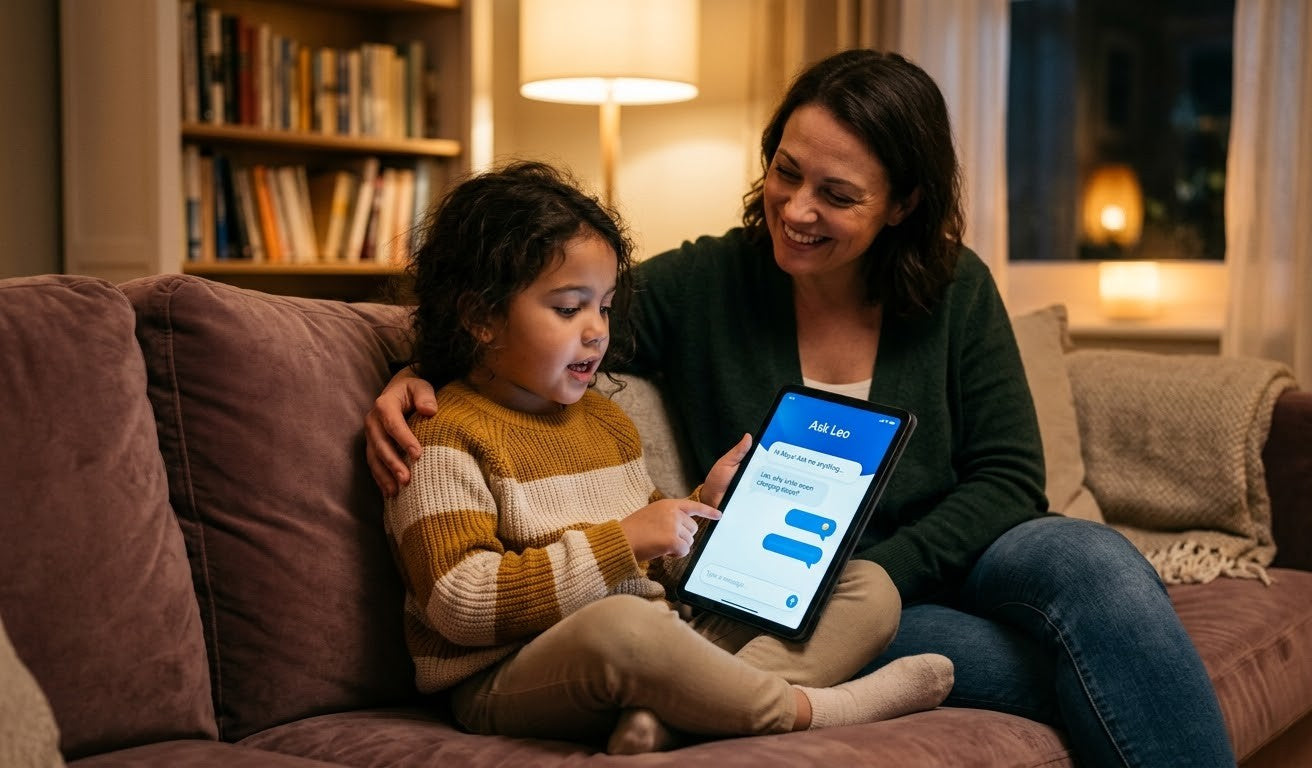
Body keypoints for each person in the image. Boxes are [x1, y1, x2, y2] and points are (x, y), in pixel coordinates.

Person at [369, 52, 1236, 767]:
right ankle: (724, 703)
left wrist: (889, 569)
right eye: (786, 171)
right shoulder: (705, 282)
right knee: (1049, 667)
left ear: (903, 204)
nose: (796, 208)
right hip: (797, 588)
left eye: (838, 194)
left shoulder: (952, 287)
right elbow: (526, 316)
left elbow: (1010, 477)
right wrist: (418, 371)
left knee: (1096, 563)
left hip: (932, 557)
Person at [386, 159, 954, 755]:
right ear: (480, 317)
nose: (596, 331)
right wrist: (623, 544)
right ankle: (810, 709)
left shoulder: (605, 421)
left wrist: (704, 514)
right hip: (511, 672)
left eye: (604, 307)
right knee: (624, 627)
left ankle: (679, 715)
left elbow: (667, 569)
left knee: (864, 585)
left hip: (660, 640)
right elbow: (459, 604)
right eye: (567, 308)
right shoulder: (443, 436)